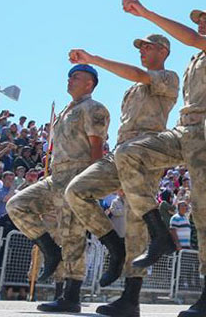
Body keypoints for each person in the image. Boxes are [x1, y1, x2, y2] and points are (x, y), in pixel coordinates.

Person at [91, 0, 206, 317]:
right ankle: (154, 236)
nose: (202, 23)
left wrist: (145, 13)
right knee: (122, 159)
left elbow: (192, 43)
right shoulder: (193, 61)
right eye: (200, 19)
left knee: (205, 212)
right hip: (182, 132)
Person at [64, 33, 180, 317]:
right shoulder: (133, 88)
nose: (142, 51)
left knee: (136, 224)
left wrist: (93, 60)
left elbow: (141, 75)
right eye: (140, 47)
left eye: (148, 47)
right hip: (120, 152)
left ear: (163, 51)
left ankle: (131, 296)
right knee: (76, 191)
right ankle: (114, 246)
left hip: (145, 151)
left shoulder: (168, 78)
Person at [7, 64, 109, 313]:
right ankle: (50, 251)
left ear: (89, 83)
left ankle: (70, 295)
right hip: (56, 176)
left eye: (76, 77)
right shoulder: (66, 110)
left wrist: (92, 182)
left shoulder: (93, 108)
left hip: (77, 175)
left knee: (73, 236)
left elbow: (97, 148)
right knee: (17, 205)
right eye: (69, 76)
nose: (70, 80)